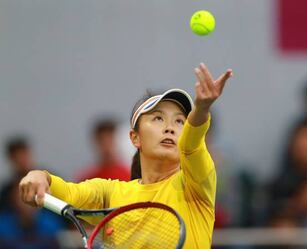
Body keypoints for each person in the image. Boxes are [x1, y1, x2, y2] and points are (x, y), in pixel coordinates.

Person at [19, 63, 233, 249]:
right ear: (135, 138)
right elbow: (66, 191)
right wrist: (39, 176)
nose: (170, 128)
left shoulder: (196, 184)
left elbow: (191, 144)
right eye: (158, 119)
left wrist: (201, 109)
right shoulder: (110, 193)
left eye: (179, 121)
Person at [76, 117, 130, 182]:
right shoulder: (86, 179)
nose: (106, 146)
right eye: (102, 141)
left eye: (110, 140)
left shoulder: (132, 177)